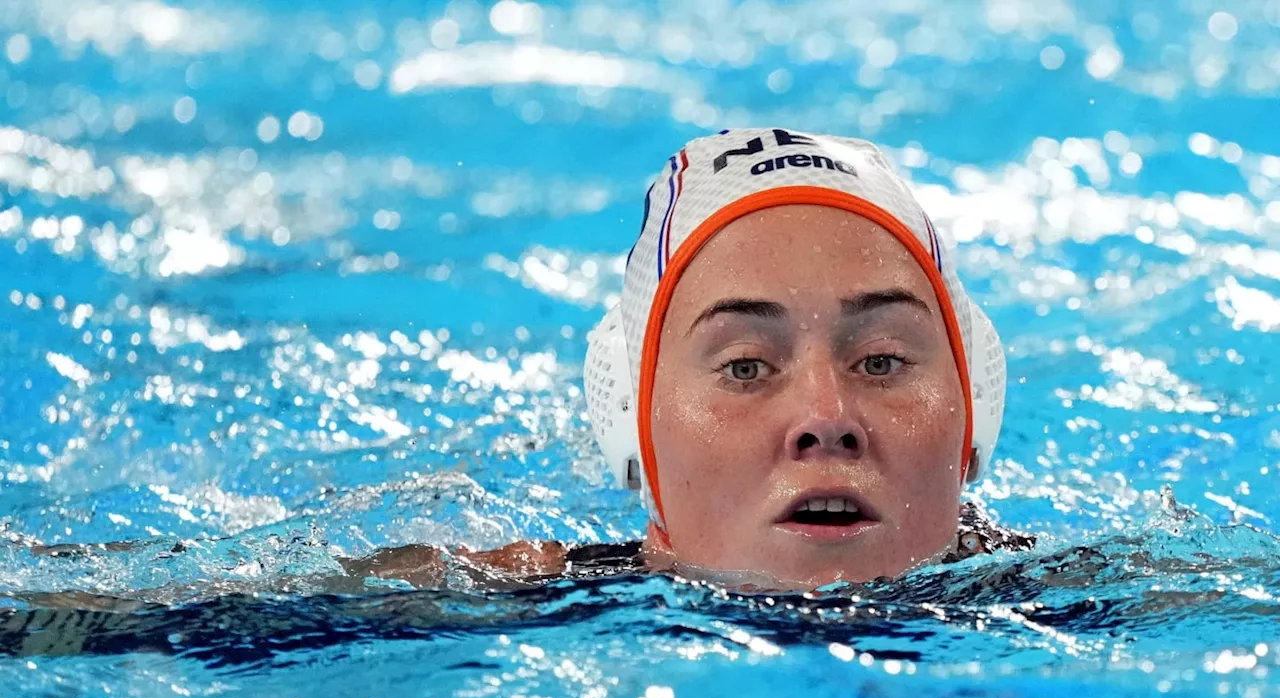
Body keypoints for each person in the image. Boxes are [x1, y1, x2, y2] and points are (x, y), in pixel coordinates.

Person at [29, 128, 1032, 594]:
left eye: (884, 358)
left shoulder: (1111, 607)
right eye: (742, 366)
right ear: (633, 433)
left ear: (972, 421)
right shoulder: (487, 601)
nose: (824, 412)